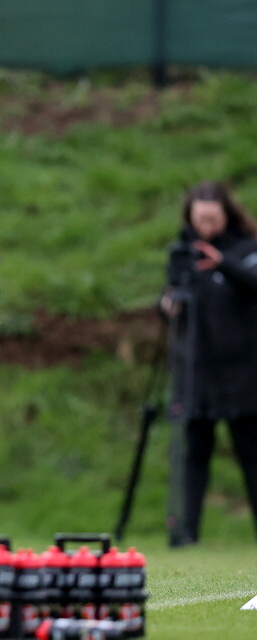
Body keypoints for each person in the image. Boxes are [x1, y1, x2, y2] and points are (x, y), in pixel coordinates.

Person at [160, 180, 257, 546]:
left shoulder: (246, 248)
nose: (206, 227)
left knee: (250, 453)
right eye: (200, 219)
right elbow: (169, 297)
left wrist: (223, 264)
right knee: (195, 452)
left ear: (226, 215)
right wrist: (167, 306)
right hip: (196, 373)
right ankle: (187, 533)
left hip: (243, 373)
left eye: (212, 219)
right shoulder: (183, 254)